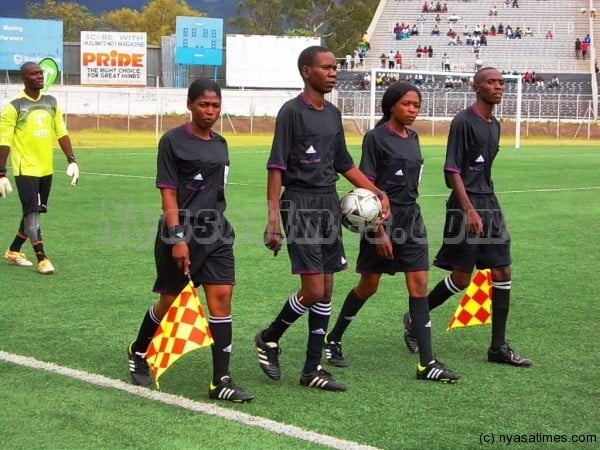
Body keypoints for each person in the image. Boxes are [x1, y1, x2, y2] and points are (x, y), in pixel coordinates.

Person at [257, 46, 390, 392]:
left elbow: (344, 164)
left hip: (328, 203)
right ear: (306, 71)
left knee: (328, 288)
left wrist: (376, 192)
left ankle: (312, 368)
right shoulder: (291, 113)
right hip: (299, 204)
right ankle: (269, 338)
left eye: (335, 68)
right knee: (313, 289)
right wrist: (273, 219)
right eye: (327, 67)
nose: (334, 72)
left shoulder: (332, 113)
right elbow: (276, 168)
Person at [126, 79, 254, 403]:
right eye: (203, 105)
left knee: (222, 297)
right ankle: (139, 350)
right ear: (190, 104)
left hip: (217, 230)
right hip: (182, 230)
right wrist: (177, 238)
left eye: (215, 105)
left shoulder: (221, 143)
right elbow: (168, 193)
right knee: (169, 302)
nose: (210, 111)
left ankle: (221, 380)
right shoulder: (171, 141)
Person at [323, 82, 459, 383]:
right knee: (368, 285)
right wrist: (378, 231)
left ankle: (427, 362)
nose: (412, 110)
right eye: (407, 104)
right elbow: (366, 187)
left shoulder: (414, 138)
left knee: (420, 285)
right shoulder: (375, 138)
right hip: (382, 220)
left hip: (412, 219)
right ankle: (333, 338)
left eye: (416, 105)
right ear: (391, 106)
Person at [403, 67, 532, 368]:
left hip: (489, 202)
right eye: (491, 82)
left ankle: (498, 347)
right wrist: (468, 209)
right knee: (462, 278)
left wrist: (485, 205)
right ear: (476, 87)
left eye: (501, 82)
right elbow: (452, 170)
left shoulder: (495, 124)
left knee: (502, 272)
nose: (498, 86)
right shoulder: (463, 121)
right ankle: (413, 317)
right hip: (466, 204)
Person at [0, 61, 79, 275]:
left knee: (33, 213)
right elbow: (4, 140)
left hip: (46, 169)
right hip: (25, 169)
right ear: (24, 79)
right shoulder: (13, 107)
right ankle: (42, 259)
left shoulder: (51, 102)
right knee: (32, 212)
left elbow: (61, 132)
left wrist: (72, 160)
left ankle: (14, 250)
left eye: (41, 73)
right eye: (34, 74)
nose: (40, 76)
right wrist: (1, 173)